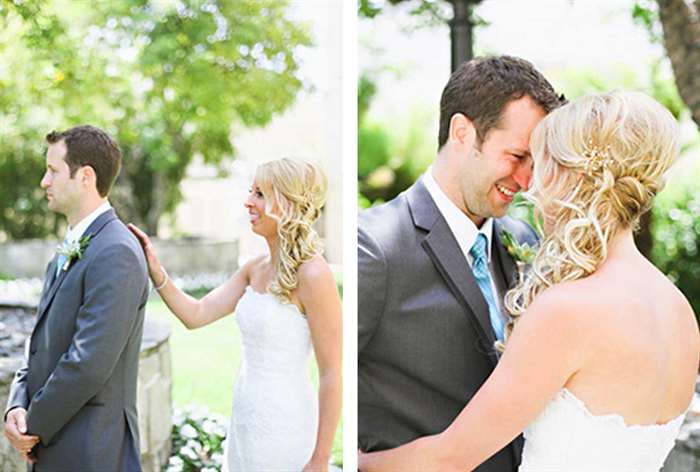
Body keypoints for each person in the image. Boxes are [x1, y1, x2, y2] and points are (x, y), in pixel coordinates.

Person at [358, 91, 700, 471]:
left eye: (542, 164)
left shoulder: (568, 310)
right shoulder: (680, 311)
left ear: (572, 176)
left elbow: (450, 459)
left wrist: (358, 463)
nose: (531, 186)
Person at [358, 55, 562, 471]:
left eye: (535, 164)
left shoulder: (525, 242)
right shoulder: (374, 247)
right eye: (516, 156)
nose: (526, 182)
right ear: (462, 132)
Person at [128, 157, 342, 472]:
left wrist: (320, 458)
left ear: (287, 202)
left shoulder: (313, 274)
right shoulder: (253, 268)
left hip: (286, 424)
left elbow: (332, 372)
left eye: (259, 194)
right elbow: (196, 314)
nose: (248, 202)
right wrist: (157, 272)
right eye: (250, 191)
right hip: (245, 418)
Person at [3, 125, 149, 471]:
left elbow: (88, 363)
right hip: (57, 445)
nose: (44, 181)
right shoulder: (68, 249)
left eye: (53, 171)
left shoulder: (117, 251)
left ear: (85, 177)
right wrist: (15, 407)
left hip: (92, 449)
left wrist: (32, 426)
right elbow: (38, 344)